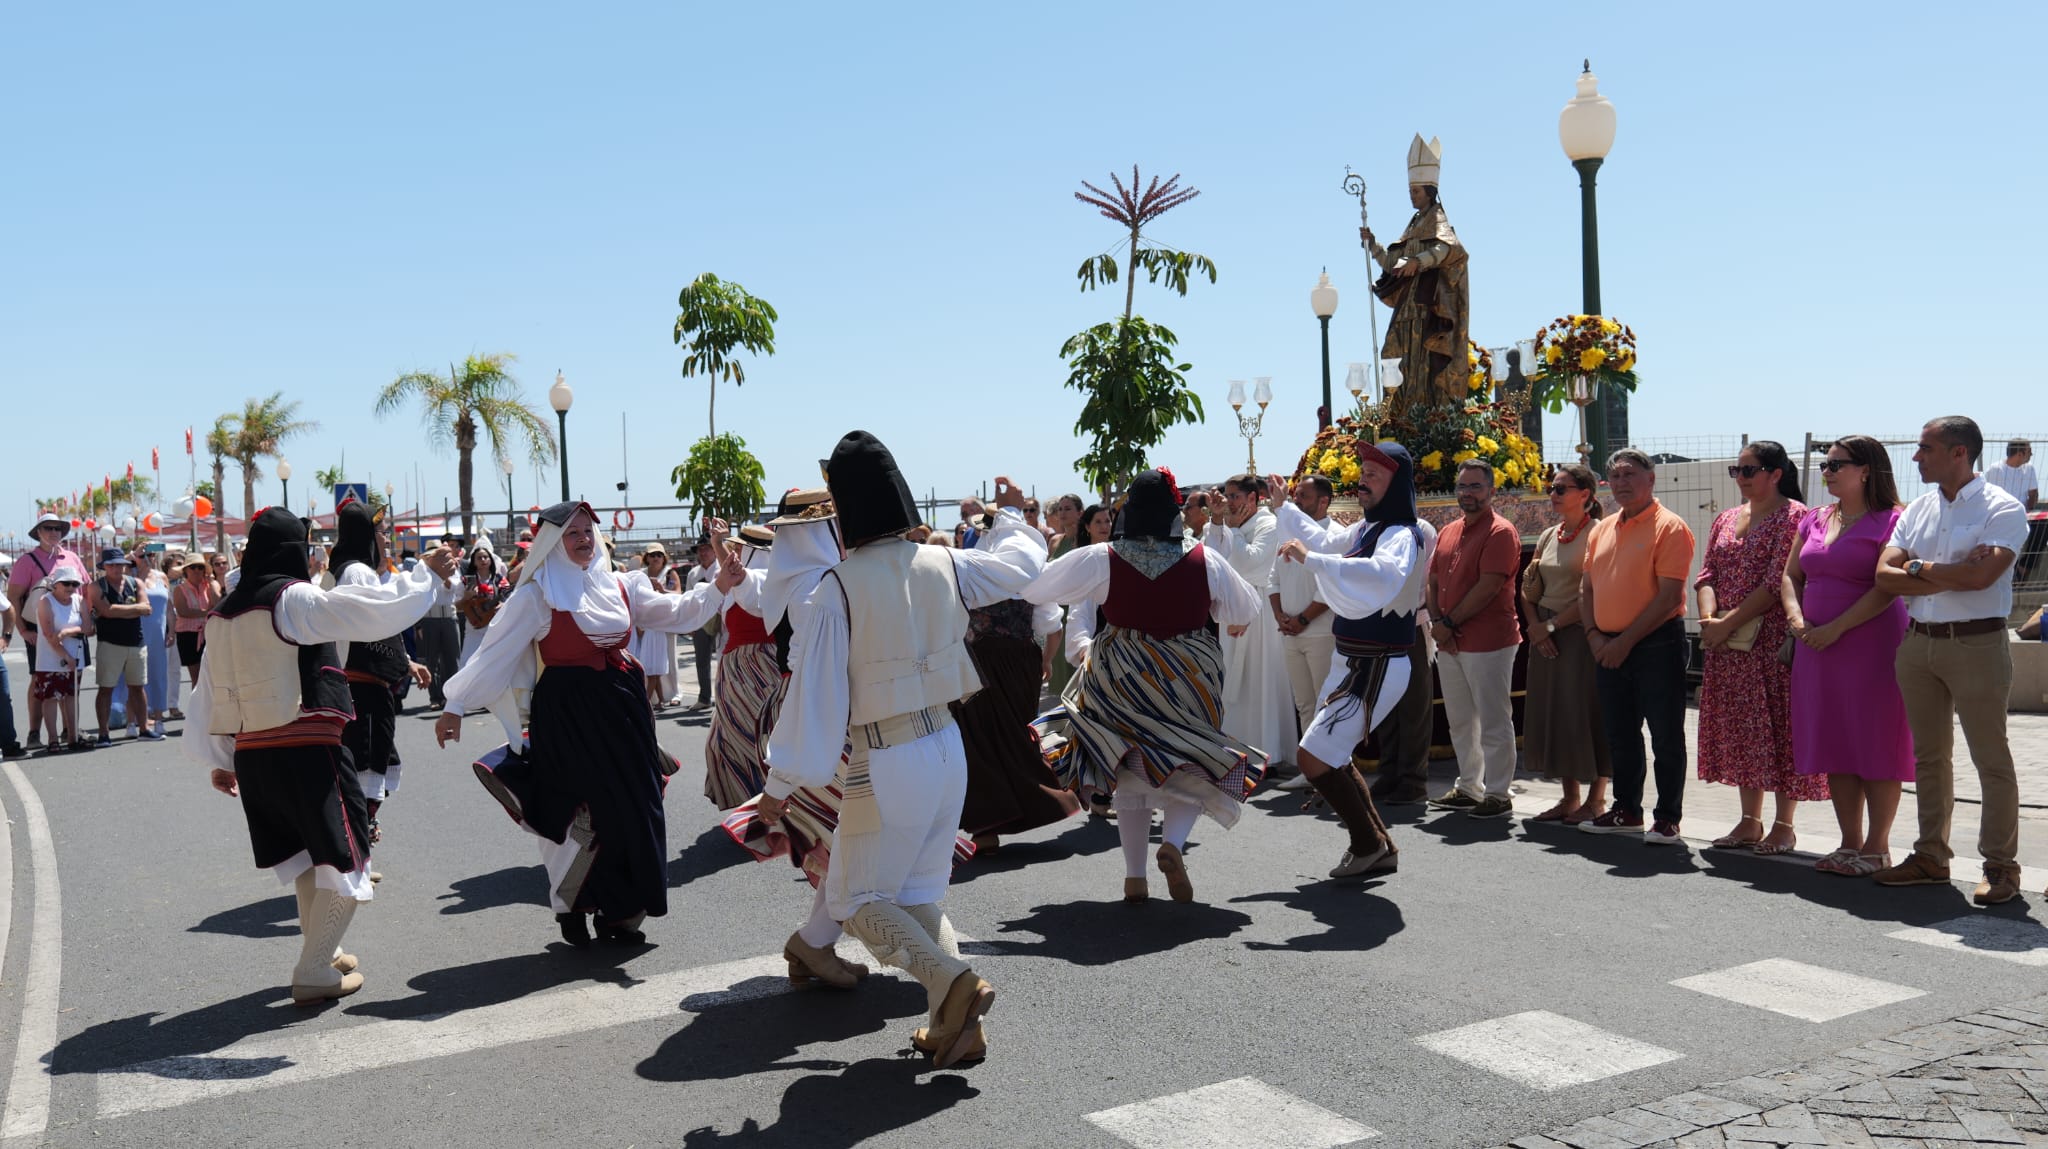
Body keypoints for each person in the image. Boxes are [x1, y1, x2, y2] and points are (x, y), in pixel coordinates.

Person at [762, 439, 1039, 1069]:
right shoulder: (945, 564)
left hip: (887, 758)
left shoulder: (836, 587)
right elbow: (1022, 565)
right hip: (948, 745)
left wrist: (780, 786)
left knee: (854, 900)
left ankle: (954, 985)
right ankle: (956, 1025)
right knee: (917, 893)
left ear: (845, 512)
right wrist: (1011, 519)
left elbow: (816, 700)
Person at [185, 508, 460, 1004]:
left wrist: (221, 758)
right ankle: (313, 968)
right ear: (293, 548)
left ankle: (323, 952)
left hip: (254, 756)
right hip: (307, 750)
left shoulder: (223, 610)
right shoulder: (293, 598)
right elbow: (369, 612)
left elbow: (208, 692)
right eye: (307, 543)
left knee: (310, 859)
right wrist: (426, 576)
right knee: (346, 855)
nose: (313, 553)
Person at [437, 502, 728, 946]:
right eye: (571, 533)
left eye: (588, 531)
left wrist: (720, 584)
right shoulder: (537, 596)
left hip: (624, 709)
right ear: (552, 542)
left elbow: (676, 613)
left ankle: (622, 912)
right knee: (576, 812)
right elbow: (494, 650)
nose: (583, 539)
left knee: (637, 805)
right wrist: (455, 704)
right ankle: (571, 905)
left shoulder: (621, 585)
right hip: (567, 715)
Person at [1026, 470, 1262, 901]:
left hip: (1124, 671)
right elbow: (1245, 608)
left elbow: (1039, 587)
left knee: (1130, 772)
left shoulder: (1103, 557)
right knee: (1189, 757)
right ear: (1174, 513)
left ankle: (1135, 877)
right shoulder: (1203, 558)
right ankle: (1171, 845)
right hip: (1190, 671)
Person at [1873, 416, 2031, 903]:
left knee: (1991, 759)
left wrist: (1917, 568)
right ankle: (1930, 857)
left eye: (1926, 448)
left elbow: (1984, 579)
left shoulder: (2002, 508)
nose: (1916, 457)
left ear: (1959, 452)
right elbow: (1883, 575)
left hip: (1978, 645)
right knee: (1929, 758)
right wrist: (1952, 571)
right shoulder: (1918, 508)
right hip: (1918, 642)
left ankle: (2001, 868)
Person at [1266, 444, 1424, 878]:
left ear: (1397, 482)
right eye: (1362, 471)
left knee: (1313, 757)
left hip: (1377, 665)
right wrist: (1285, 510)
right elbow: (1319, 538)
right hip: (1350, 660)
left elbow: (1380, 575)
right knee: (1329, 755)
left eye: (1373, 473)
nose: (1362, 479)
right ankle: (1378, 846)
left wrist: (1313, 560)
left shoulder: (1402, 534)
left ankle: (1368, 844)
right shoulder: (1365, 529)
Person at [1782, 435, 1911, 876]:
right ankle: (1849, 842)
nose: (1827, 471)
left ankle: (1877, 848)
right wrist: (1798, 621)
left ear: (1867, 469)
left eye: (1837, 464)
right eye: (1825, 464)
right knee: (1835, 740)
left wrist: (1835, 628)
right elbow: (1790, 576)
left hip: (1870, 646)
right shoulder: (1815, 518)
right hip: (1816, 646)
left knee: (1874, 742)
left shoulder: (1893, 519)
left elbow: (1886, 587)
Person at [1696, 441, 1818, 853]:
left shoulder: (1795, 517)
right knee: (1745, 731)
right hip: (1728, 644)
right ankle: (1749, 821)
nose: (1741, 478)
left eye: (1749, 470)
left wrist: (1727, 624)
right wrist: (1709, 621)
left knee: (1781, 729)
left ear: (1775, 474)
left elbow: (1776, 582)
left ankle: (1784, 825)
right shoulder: (1726, 518)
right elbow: (1707, 572)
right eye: (1737, 470)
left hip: (1769, 642)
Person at [1577, 449, 1696, 844]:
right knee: (1621, 734)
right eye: (1615, 476)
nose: (1622, 482)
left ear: (1651, 479)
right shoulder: (1601, 527)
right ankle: (1626, 810)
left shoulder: (1670, 527)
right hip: (1607, 645)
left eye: (1630, 474)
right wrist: (1596, 637)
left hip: (1655, 644)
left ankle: (1667, 818)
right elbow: (1586, 588)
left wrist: (1625, 641)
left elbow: (1667, 598)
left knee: (1665, 735)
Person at [954, 500, 1074, 853]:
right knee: (1016, 735)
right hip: (1021, 660)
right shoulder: (1031, 568)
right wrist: (1046, 663)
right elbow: (1052, 626)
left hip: (977, 661)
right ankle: (1039, 801)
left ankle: (987, 828)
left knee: (979, 740)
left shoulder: (974, 567)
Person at [329, 502, 435, 845]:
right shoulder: (357, 572)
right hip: (362, 690)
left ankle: (357, 851)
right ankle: (355, 856)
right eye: (382, 531)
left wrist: (405, 662)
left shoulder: (350, 569)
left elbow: (374, 625)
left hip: (362, 687)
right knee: (364, 773)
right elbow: (378, 618)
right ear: (365, 535)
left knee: (368, 770)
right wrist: (425, 573)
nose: (387, 538)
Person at [1424, 462, 1524, 818]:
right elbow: (1433, 580)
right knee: (1461, 720)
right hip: (1450, 640)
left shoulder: (1501, 532)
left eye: (1476, 486)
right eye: (1462, 486)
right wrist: (1438, 621)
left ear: (1492, 490)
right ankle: (1469, 786)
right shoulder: (1449, 530)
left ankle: (1498, 793)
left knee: (1494, 719)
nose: (1468, 492)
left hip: (1488, 641)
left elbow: (1489, 587)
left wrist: (1449, 622)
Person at [1187, 473, 1295, 778]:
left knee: (1261, 682)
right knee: (1234, 685)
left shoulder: (1268, 524)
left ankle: (1269, 751)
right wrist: (1221, 525)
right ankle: (1236, 750)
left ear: (1253, 498)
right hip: (1231, 608)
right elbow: (1210, 559)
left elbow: (1253, 565)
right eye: (1227, 496)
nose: (1231, 502)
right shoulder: (1221, 524)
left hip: (1259, 612)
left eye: (1236, 496)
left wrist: (1232, 532)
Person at [1521, 464, 1610, 823]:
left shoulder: (1599, 533)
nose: (1553, 495)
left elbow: (1595, 593)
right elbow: (1528, 587)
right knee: (1556, 713)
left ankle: (1597, 799)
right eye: (1552, 488)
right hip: (1545, 633)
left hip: (1580, 633)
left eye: (1561, 489)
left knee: (1586, 712)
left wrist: (1553, 626)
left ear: (1585, 495)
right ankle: (1569, 798)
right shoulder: (1548, 535)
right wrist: (1536, 627)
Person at [1361, 134, 1469, 413]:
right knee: (1393, 355)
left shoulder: (1437, 220)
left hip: (1426, 310)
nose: (1412, 196)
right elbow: (1392, 263)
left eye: (1416, 192)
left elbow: (1448, 250)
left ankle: (1421, 413)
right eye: (1410, 192)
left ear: (1429, 192)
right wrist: (1373, 245)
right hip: (1406, 307)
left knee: (1421, 363)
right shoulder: (1414, 225)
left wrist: (1418, 262)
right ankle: (1396, 413)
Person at [703, 523, 784, 809]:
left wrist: (717, 543)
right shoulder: (750, 579)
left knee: (755, 734)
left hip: (758, 667)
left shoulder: (765, 579)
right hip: (735, 667)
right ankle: (752, 798)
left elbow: (743, 581)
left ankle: (766, 799)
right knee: (730, 736)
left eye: (739, 547)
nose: (735, 552)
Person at [1267, 475, 1337, 793]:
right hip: (1291, 635)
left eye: (1304, 496)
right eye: (1295, 495)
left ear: (1323, 501)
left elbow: (1329, 587)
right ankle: (1310, 769)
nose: (1297, 501)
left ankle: (1330, 769)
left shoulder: (1333, 537)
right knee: (1304, 704)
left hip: (1321, 634)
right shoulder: (1288, 532)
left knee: (1325, 703)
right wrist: (1281, 616)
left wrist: (1304, 620)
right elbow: (1273, 579)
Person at [8, 512, 86, 749]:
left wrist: (85, 621)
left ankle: (69, 730)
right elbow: (13, 598)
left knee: (73, 680)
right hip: (39, 628)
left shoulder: (72, 557)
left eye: (58, 528)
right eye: (48, 528)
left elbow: (86, 589)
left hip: (73, 627)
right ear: (38, 532)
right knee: (40, 682)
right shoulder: (27, 560)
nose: (54, 532)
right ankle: (35, 731)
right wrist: (23, 631)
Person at [86, 547, 158, 744]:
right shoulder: (96, 586)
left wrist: (118, 610)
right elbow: (107, 611)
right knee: (106, 688)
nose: (117, 568)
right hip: (110, 644)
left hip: (136, 642)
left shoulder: (136, 583)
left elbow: (147, 609)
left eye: (120, 564)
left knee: (138, 687)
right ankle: (103, 733)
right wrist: (134, 609)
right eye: (112, 564)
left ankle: (144, 729)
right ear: (105, 567)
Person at [33, 564, 90, 752]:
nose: (71, 587)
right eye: (66, 583)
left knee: (71, 697)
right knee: (50, 698)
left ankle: (73, 737)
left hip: (75, 657)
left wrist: (67, 631)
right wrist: (66, 656)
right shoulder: (45, 601)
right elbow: (49, 634)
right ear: (55, 584)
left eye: (74, 583)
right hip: (50, 659)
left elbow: (88, 628)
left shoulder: (79, 600)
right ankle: (52, 740)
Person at [413, 535, 463, 710]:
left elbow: (453, 587)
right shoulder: (421, 571)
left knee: (452, 659)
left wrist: (442, 573)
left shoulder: (452, 568)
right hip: (429, 619)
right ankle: (435, 696)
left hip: (449, 616)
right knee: (431, 659)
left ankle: (452, 697)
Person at [629, 544, 681, 710]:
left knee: (669, 659)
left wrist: (662, 589)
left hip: (665, 621)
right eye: (652, 555)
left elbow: (678, 594)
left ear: (664, 557)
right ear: (647, 558)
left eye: (659, 554)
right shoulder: (640, 575)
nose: (656, 557)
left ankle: (674, 693)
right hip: (646, 625)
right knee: (650, 662)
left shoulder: (670, 573)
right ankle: (656, 698)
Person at [456, 538, 512, 669]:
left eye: (486, 557)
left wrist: (503, 604)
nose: (483, 560)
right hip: (473, 629)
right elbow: (456, 606)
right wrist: (466, 598)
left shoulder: (499, 579)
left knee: (493, 666)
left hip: (494, 630)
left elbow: (510, 597)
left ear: (491, 559)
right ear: (473, 562)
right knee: (467, 665)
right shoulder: (465, 581)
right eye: (479, 558)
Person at [140, 550, 174, 731]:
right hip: (137, 633)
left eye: (152, 554)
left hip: (158, 633)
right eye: (144, 554)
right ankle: (141, 716)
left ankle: (159, 716)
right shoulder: (131, 576)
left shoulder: (162, 577)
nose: (149, 557)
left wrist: (172, 630)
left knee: (159, 674)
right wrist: (133, 557)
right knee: (138, 675)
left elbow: (169, 607)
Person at [685, 538, 719, 710]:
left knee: (723, 659)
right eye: (700, 549)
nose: (703, 552)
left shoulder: (721, 569)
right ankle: (704, 697)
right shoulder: (693, 574)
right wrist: (690, 623)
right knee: (701, 661)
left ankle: (723, 696)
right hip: (701, 620)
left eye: (707, 548)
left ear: (714, 550)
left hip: (722, 619)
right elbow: (688, 600)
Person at [173, 554, 216, 693]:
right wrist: (207, 612)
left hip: (208, 633)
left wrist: (211, 584)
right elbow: (183, 611)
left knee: (211, 675)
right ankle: (196, 710)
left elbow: (217, 604)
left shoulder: (209, 586)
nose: (197, 570)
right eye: (193, 567)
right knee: (196, 676)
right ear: (186, 571)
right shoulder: (180, 589)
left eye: (200, 567)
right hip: (188, 635)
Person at [1983, 438, 2038, 510]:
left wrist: (2028, 513)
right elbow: (1985, 495)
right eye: (2029, 451)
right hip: (1999, 515)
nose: (2031, 454)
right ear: (2020, 454)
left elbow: (2033, 494)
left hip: (2022, 516)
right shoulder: (1994, 470)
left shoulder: (2029, 468)